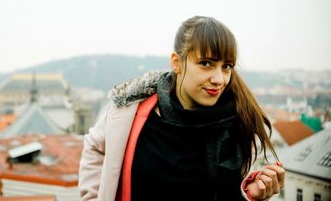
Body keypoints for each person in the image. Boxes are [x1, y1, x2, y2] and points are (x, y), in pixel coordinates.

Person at [78, 15, 285, 201]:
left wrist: (250, 195)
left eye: (226, 66)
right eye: (206, 63)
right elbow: (94, 148)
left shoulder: (238, 126)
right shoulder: (131, 112)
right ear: (177, 63)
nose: (219, 79)